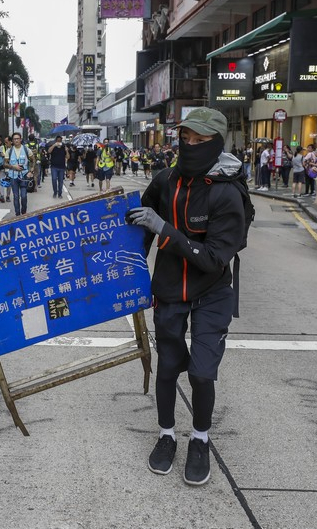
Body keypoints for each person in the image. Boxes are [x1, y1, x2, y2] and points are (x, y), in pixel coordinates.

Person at [126, 107, 244, 487]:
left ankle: (200, 439)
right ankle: (166, 434)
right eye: (185, 139)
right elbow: (137, 229)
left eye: (200, 141)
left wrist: (166, 231)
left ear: (217, 143)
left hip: (212, 291)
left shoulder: (228, 195)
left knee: (201, 372)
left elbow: (212, 259)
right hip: (170, 289)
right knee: (167, 367)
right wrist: (126, 278)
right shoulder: (164, 180)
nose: (190, 146)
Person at [5, 132, 34, 215]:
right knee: (16, 197)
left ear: (21, 139)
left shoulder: (26, 149)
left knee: (24, 196)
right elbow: (5, 164)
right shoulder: (9, 151)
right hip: (13, 177)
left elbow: (32, 160)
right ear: (12, 141)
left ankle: (24, 212)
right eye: (14, 139)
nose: (16, 140)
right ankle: (17, 215)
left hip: (24, 176)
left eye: (18, 138)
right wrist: (13, 167)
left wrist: (31, 171)